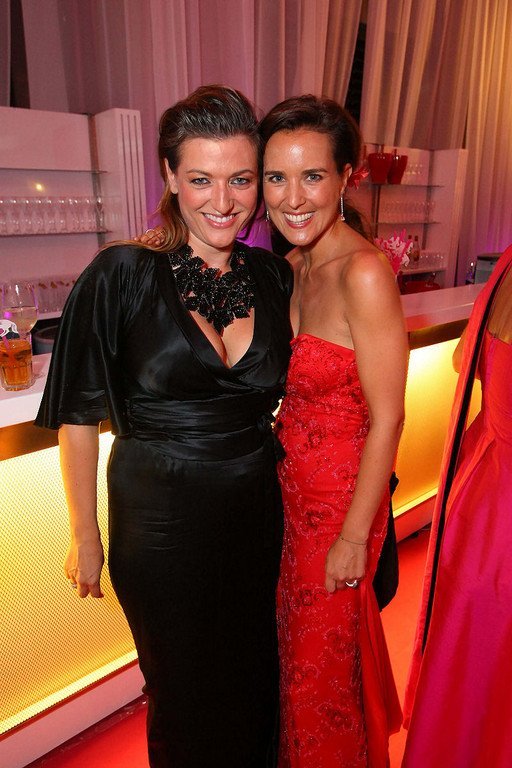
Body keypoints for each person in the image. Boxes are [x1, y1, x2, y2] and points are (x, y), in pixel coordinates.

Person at [35, 85, 293, 768]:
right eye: (201, 179)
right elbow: (78, 413)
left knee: (254, 678)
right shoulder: (121, 273)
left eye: (241, 180)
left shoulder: (274, 276)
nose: (223, 201)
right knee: (182, 693)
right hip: (160, 520)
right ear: (170, 176)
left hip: (256, 509)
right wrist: (84, 534)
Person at [259, 95, 407, 768]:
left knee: (322, 676)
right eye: (277, 177)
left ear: (347, 176)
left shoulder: (364, 272)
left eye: (312, 176)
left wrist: (353, 537)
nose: (293, 198)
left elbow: (389, 416)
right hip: (289, 498)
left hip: (339, 507)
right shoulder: (292, 267)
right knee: (296, 663)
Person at [402, 244, 512, 768]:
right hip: (496, 506)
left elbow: (462, 359)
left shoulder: (508, 263)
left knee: (469, 651)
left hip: (481, 489)